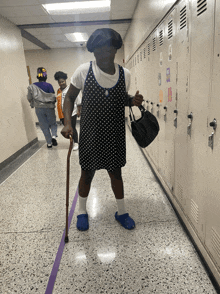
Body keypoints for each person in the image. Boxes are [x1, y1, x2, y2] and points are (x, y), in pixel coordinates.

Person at [61, 28, 143, 231]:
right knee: (87, 174)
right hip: (91, 135)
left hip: (114, 134)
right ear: (93, 51)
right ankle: (81, 212)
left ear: (116, 51)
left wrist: (131, 100)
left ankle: (122, 212)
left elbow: (118, 98)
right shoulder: (84, 71)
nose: (104, 56)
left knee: (116, 173)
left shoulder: (125, 74)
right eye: (99, 51)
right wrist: (67, 123)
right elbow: (69, 97)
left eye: (109, 51)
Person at [27, 67, 58, 148]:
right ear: (46, 77)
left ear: (37, 77)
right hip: (49, 108)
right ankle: (54, 136)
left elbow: (29, 98)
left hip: (39, 108)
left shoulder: (32, 86)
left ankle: (49, 143)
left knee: (44, 126)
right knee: (53, 123)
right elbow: (53, 97)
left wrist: (33, 102)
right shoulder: (49, 85)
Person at [54, 71, 81, 151]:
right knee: (67, 128)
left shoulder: (70, 89)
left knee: (72, 127)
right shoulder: (58, 91)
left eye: (62, 81)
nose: (61, 83)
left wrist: (79, 111)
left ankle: (76, 143)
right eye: (59, 82)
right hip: (62, 114)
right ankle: (72, 141)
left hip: (72, 113)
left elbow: (78, 101)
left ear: (65, 81)